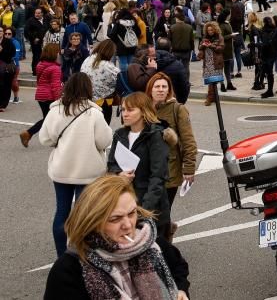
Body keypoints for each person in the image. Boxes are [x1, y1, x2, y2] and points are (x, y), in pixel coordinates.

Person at [44, 174, 191, 300]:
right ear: (92, 222)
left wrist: (181, 290)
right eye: (115, 219)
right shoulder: (69, 271)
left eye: (132, 213)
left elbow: (179, 266)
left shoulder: (148, 241)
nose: (128, 225)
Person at [38, 72, 113, 257]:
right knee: (84, 215)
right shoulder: (93, 113)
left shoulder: (56, 110)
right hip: (88, 171)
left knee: (61, 212)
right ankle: (82, 254)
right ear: (88, 89)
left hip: (61, 169)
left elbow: (45, 139)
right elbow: (104, 141)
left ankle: (61, 256)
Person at [108, 92, 173, 233]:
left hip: (149, 206)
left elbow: (158, 176)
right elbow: (111, 164)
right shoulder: (119, 134)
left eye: (130, 110)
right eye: (123, 109)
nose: (125, 114)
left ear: (143, 111)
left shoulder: (155, 136)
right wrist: (119, 174)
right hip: (124, 201)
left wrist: (143, 210)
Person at [146, 74, 197, 210]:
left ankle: (165, 229)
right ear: (150, 89)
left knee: (162, 213)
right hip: (146, 171)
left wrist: (189, 168)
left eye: (164, 87)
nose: (161, 90)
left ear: (169, 90)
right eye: (157, 86)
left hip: (169, 170)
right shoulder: (144, 109)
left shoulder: (178, 109)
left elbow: (189, 141)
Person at [20, 42, 63, 147]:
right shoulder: (55, 68)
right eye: (58, 52)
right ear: (54, 53)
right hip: (50, 96)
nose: (59, 54)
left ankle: (49, 138)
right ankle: (29, 133)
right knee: (53, 118)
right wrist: (59, 99)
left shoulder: (40, 64)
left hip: (40, 94)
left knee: (48, 118)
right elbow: (55, 86)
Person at [79, 39, 120, 124]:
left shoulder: (88, 59)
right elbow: (119, 79)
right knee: (103, 127)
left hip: (87, 99)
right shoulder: (107, 66)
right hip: (102, 102)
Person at [200, 20, 227, 106]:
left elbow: (221, 49)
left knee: (214, 80)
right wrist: (203, 45)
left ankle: (210, 97)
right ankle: (213, 97)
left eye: (211, 30)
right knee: (210, 80)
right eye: (208, 30)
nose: (210, 32)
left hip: (216, 61)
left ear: (215, 29)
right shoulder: (205, 37)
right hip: (207, 61)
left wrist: (211, 46)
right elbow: (199, 47)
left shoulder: (219, 37)